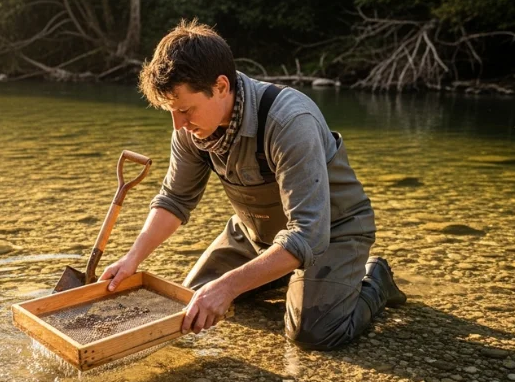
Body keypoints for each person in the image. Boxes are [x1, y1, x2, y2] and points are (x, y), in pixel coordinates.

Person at [99, 20, 406, 350]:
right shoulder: (190, 129)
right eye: (171, 112)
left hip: (332, 232)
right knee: (191, 306)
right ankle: (288, 275)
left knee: (312, 334)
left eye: (185, 110)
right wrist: (132, 259)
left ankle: (374, 279)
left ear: (220, 86)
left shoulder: (289, 122)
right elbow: (175, 199)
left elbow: (308, 233)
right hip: (256, 234)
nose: (179, 125)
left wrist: (229, 286)